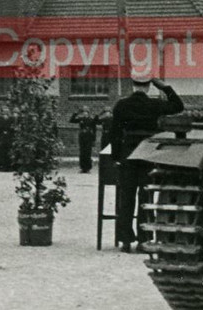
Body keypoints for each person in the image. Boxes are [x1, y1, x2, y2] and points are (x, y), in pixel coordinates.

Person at [109, 73, 183, 253]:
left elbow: (114, 133)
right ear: (148, 87)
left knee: (126, 198)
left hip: (128, 153)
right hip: (148, 153)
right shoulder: (154, 105)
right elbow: (178, 106)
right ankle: (144, 240)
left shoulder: (121, 105)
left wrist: (116, 157)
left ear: (133, 86)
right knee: (146, 197)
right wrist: (164, 87)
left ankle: (125, 240)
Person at [69, 106, 101, 173]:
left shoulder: (91, 120)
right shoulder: (80, 119)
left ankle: (88, 168)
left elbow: (94, 130)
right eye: (83, 112)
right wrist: (76, 113)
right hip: (82, 137)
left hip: (89, 137)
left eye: (86, 112)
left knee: (88, 152)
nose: (85, 114)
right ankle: (82, 167)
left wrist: (93, 140)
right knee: (82, 152)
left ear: (88, 113)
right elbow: (71, 120)